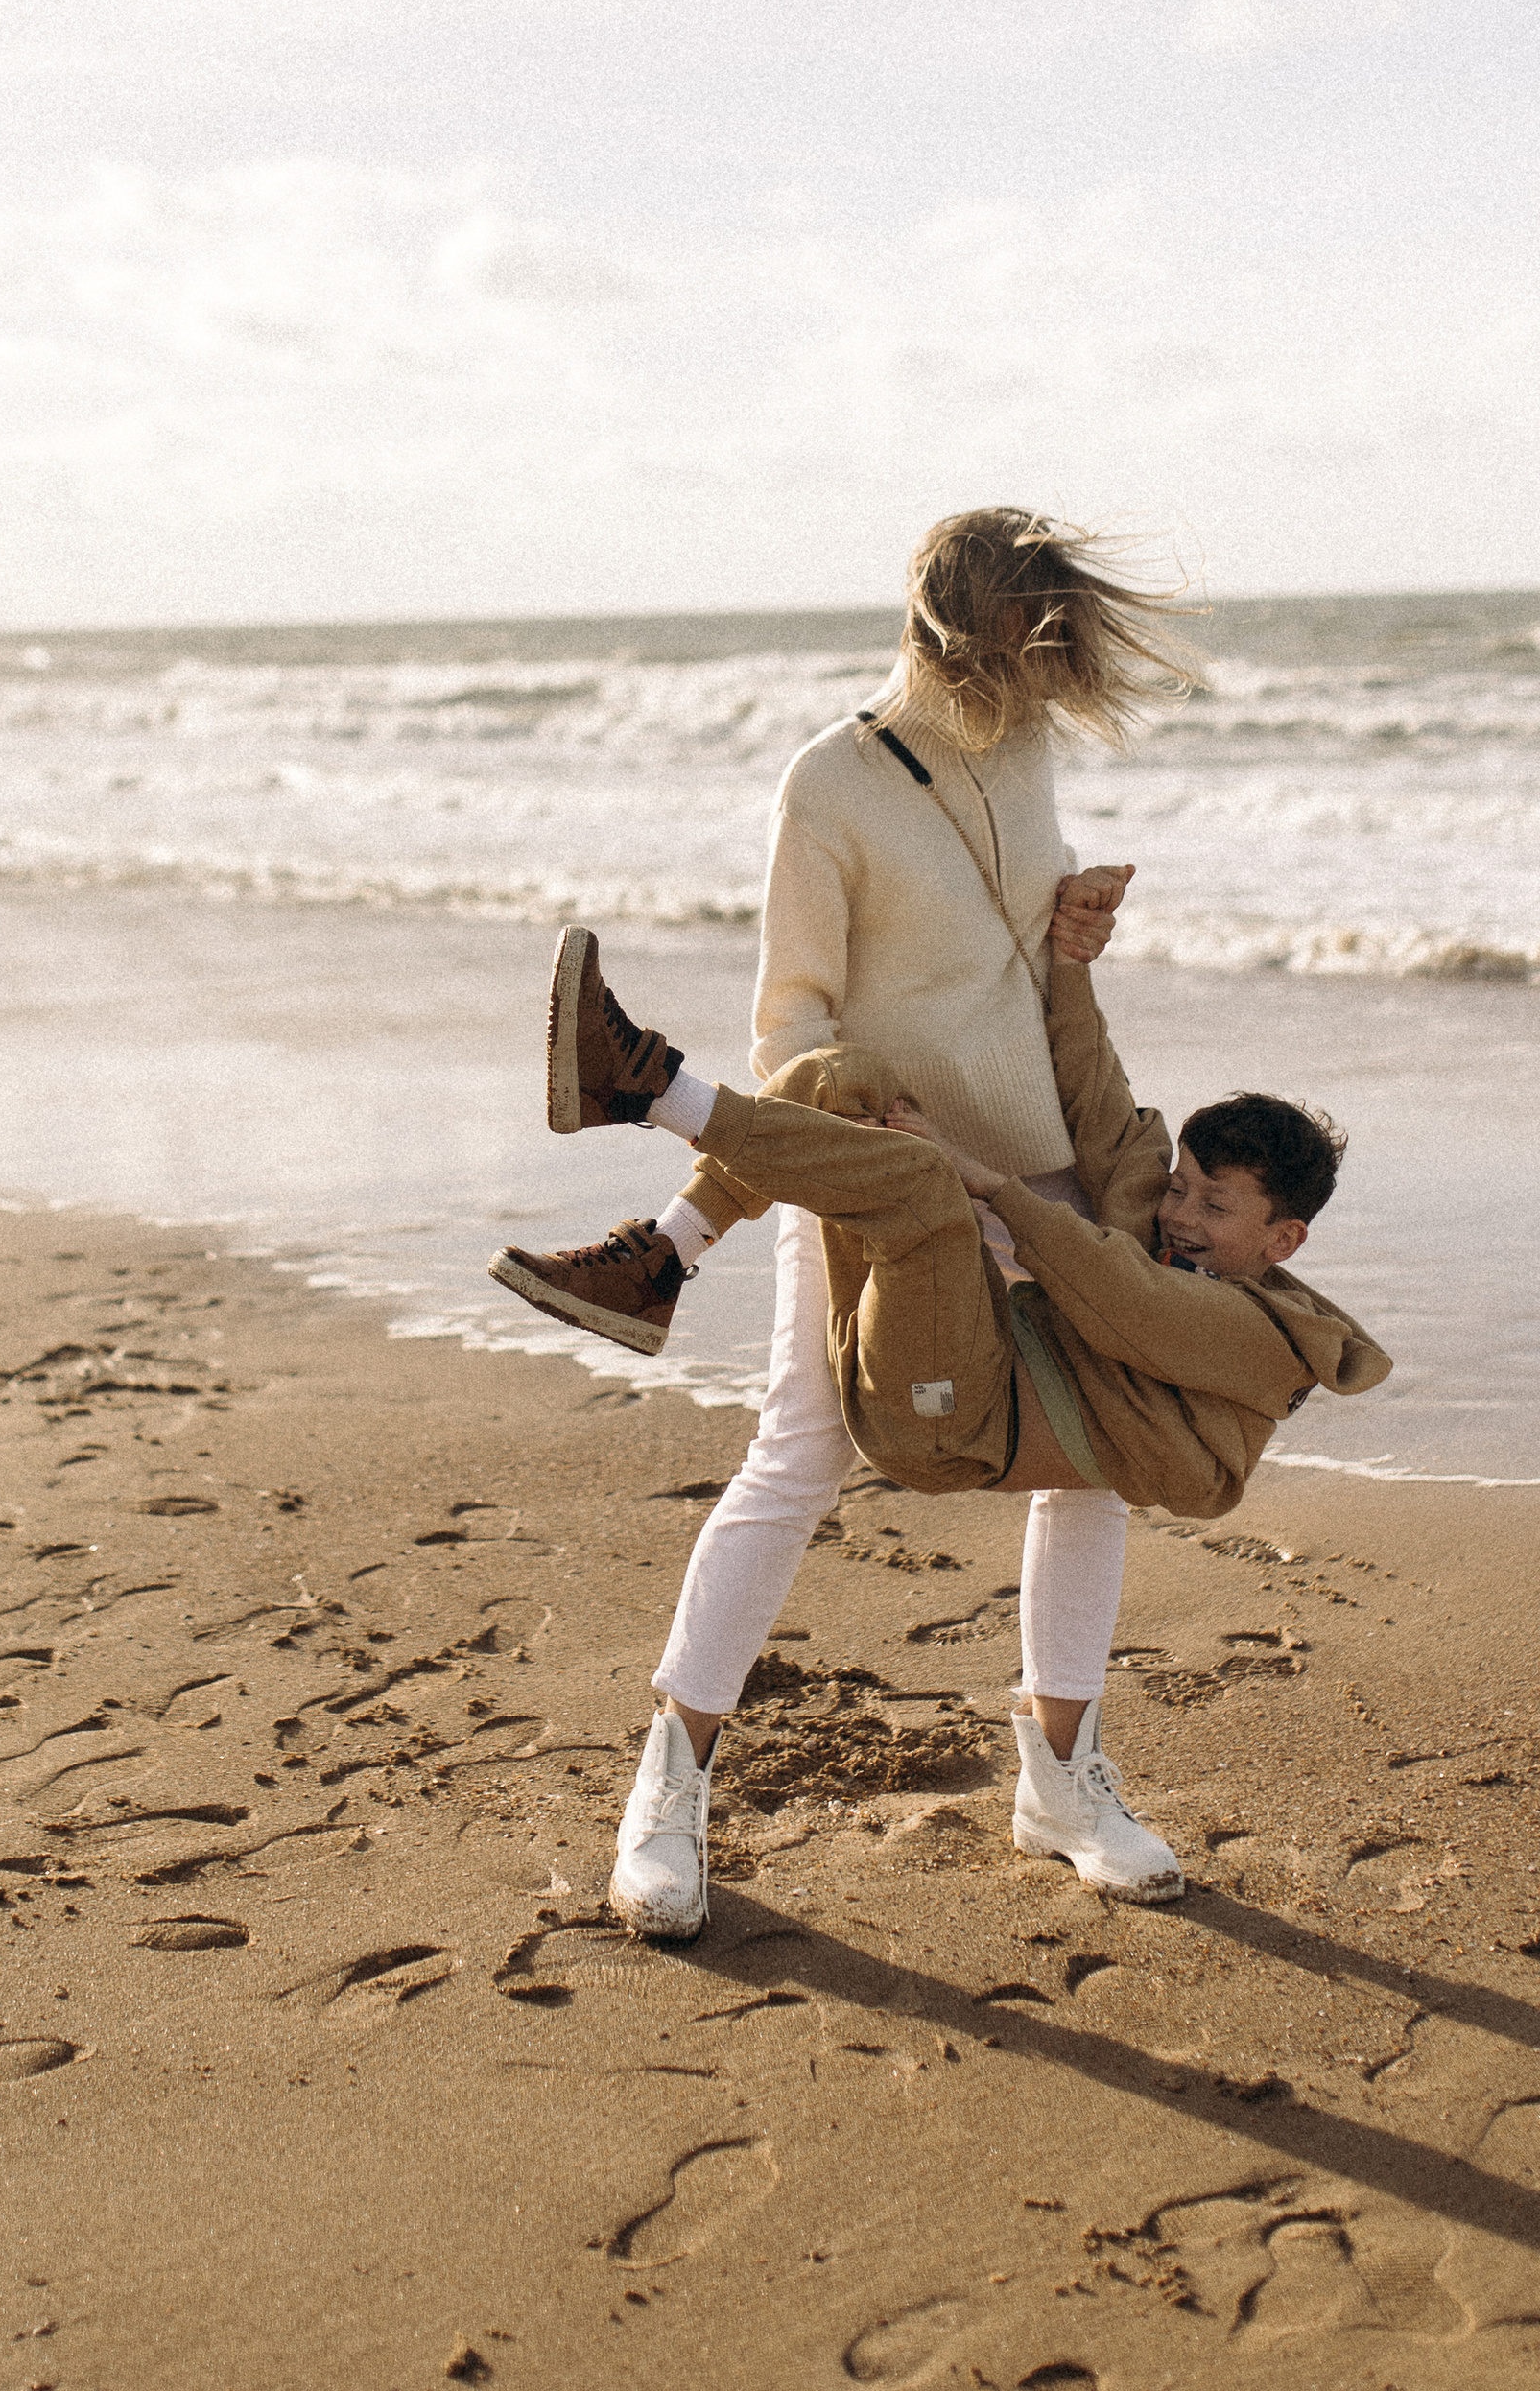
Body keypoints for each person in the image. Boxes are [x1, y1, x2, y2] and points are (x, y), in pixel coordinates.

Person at [489, 505, 1190, 1909]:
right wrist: (882, 1130)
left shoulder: (1029, 744)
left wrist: (1072, 933)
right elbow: (790, 1030)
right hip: (880, 1175)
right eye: (1020, 651)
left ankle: (1060, 1780)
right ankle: (667, 1796)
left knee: (1095, 1451)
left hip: (1038, 1158)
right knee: (800, 1459)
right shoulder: (830, 784)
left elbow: (998, 959)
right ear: (959, 638)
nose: (1039, 681)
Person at [529, 922, 1389, 1939]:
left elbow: (1124, 1297)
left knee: (922, 1185)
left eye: (1216, 1204)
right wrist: (1069, 958)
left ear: (1282, 1239)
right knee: (844, 1074)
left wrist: (984, 1181)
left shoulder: (1261, 1335)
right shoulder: (1142, 1201)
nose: (1181, 1214)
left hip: (950, 1425)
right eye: (1179, 1186)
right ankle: (660, 1258)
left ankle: (649, 1091)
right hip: (938, 1348)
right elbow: (1090, 1075)